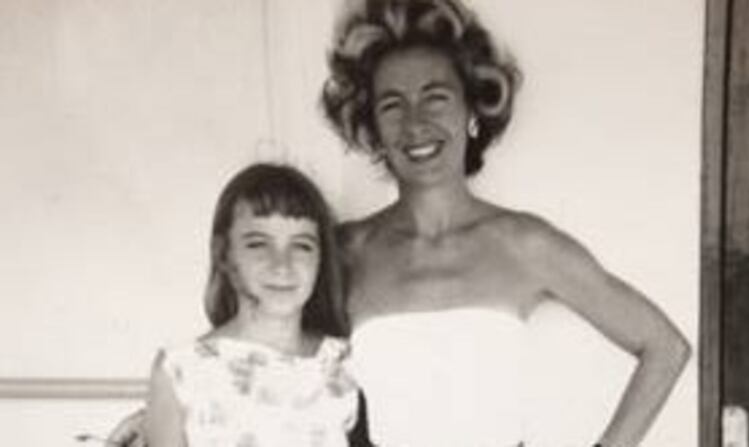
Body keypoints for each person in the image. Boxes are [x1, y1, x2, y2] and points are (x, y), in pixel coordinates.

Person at [108, 0, 691, 446]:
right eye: (392, 105)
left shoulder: (526, 244)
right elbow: (265, 348)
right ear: (372, 130)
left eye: (435, 97)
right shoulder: (344, 252)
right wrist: (164, 413)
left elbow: (664, 346)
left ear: (471, 111)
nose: (415, 123)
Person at [142, 163, 362, 447]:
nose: (282, 265)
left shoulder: (347, 364)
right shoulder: (182, 370)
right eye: (258, 244)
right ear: (224, 255)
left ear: (321, 259)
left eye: (302, 245)